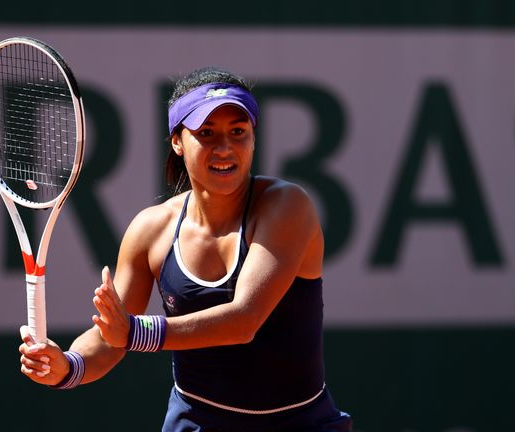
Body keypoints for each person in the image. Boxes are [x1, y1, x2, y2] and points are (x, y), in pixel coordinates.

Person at [19, 66, 353, 431]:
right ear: (177, 141)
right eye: (206, 133)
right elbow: (110, 339)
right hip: (196, 422)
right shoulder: (151, 230)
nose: (224, 148)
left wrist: (133, 332)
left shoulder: (287, 206)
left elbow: (243, 320)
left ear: (253, 139)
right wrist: (67, 366)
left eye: (238, 132)